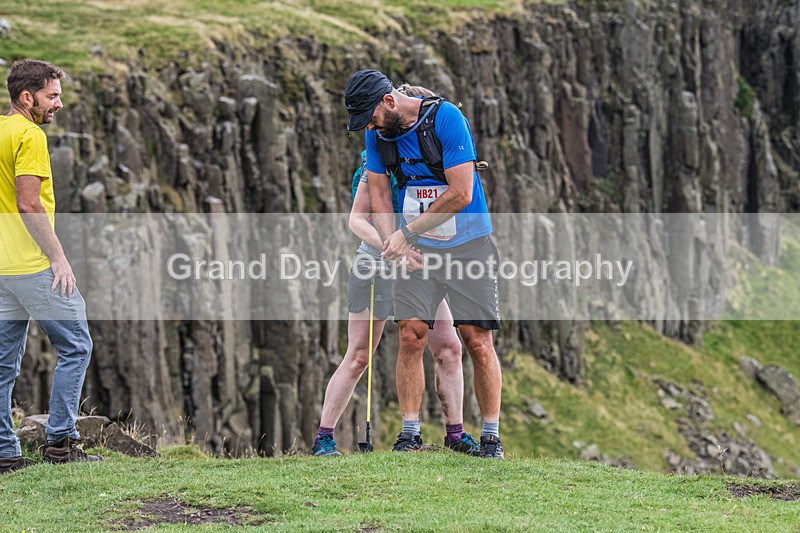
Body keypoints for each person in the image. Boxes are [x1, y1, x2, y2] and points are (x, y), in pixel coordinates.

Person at [312, 85, 481, 457]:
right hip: (377, 262)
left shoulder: (423, 155)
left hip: (416, 261)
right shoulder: (376, 156)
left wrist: (409, 245)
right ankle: (323, 438)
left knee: (449, 347)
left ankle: (455, 432)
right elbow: (357, 220)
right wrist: (390, 247)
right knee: (359, 355)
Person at [344, 70, 504, 458]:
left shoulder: (446, 118)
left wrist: (407, 234)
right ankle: (410, 434)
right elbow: (380, 194)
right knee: (411, 334)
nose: (369, 126)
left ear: (388, 101)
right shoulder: (377, 134)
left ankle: (490, 438)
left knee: (477, 341)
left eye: (371, 117)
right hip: (418, 252)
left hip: (469, 245)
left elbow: (461, 192)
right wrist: (392, 242)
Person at [0, 59, 102, 473]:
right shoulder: (29, 135)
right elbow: (28, 203)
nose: (58, 104)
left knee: (3, 364)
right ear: (28, 97)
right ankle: (61, 442)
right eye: (52, 96)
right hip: (32, 266)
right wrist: (58, 257)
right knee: (77, 345)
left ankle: (6, 452)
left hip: (1, 269)